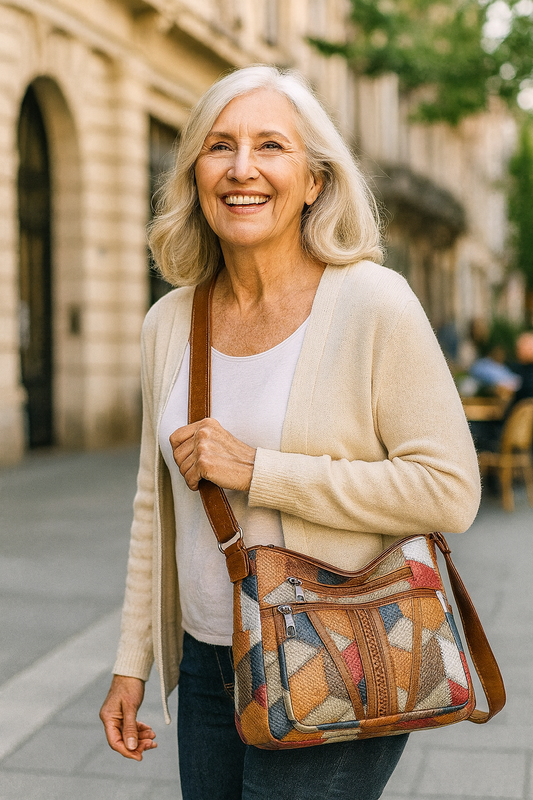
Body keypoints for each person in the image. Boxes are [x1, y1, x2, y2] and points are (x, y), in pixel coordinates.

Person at [100, 65, 481, 800]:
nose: (242, 168)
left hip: (337, 650)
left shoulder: (373, 303)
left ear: (313, 181)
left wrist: (260, 470)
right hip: (209, 666)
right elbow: (154, 503)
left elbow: (449, 491)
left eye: (270, 146)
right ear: (194, 175)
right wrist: (131, 663)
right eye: (220, 146)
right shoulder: (169, 321)